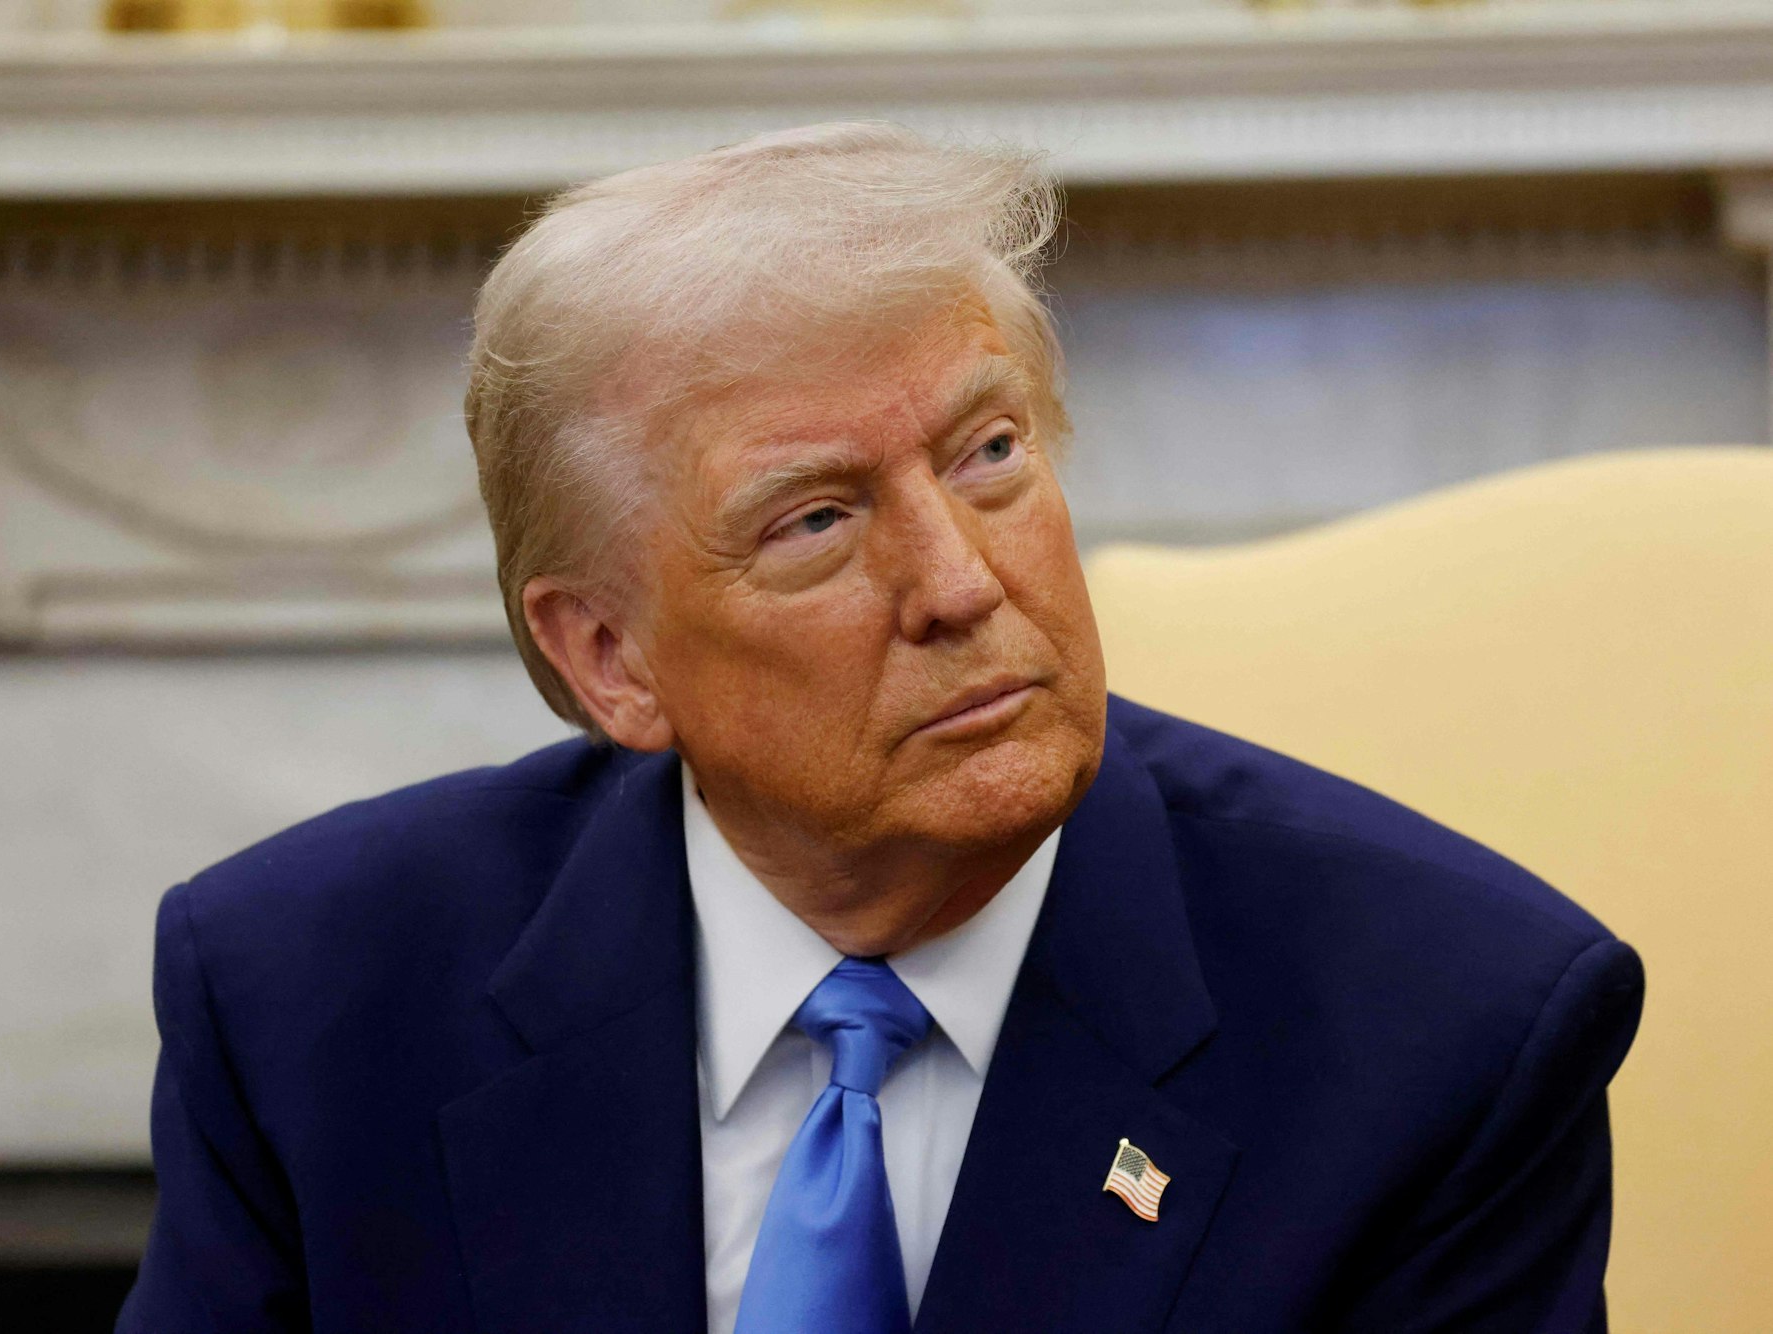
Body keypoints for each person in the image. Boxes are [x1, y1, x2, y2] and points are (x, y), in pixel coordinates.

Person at [118, 123, 1643, 1334]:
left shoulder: (1450, 1031)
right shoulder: (307, 1002)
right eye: (816, 521)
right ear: (608, 656)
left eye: (989, 453)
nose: (964, 583)